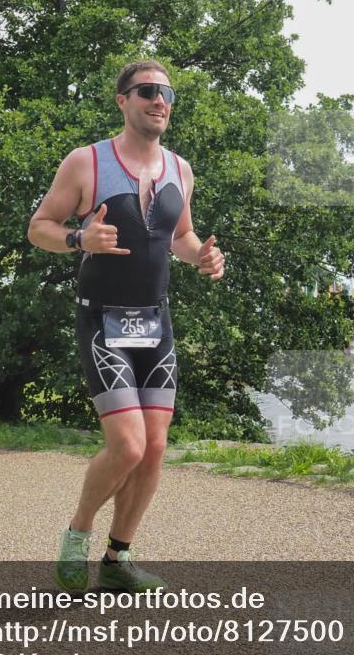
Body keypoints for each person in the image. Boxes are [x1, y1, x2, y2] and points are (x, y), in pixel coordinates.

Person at [28, 59, 224, 593]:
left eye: (166, 93)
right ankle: (77, 535)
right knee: (129, 446)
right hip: (103, 319)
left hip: (155, 322)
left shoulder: (181, 170)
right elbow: (39, 227)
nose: (159, 100)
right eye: (147, 91)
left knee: (155, 447)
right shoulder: (86, 162)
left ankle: (117, 560)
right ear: (123, 100)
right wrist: (77, 240)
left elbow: (180, 236)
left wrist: (202, 256)